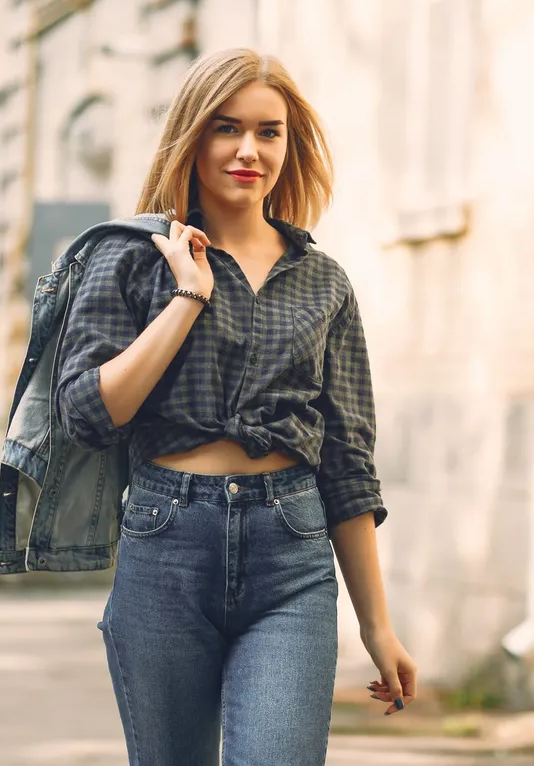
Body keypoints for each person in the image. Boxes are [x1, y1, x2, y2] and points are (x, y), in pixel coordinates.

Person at [56, 47, 417, 765]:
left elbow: (347, 462)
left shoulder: (324, 283)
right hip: (165, 544)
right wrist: (187, 297)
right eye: (226, 128)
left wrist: (377, 627)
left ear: (290, 143)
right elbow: (88, 412)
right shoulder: (126, 258)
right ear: (193, 136)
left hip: (292, 550)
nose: (249, 150)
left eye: (269, 131)